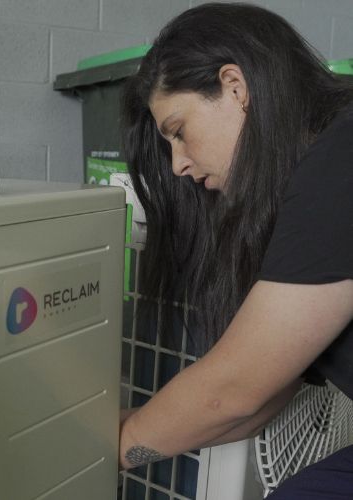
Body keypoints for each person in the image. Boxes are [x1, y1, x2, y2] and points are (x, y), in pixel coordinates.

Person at [117, 2, 353, 498]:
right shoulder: (315, 170)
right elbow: (263, 394)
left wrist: (116, 442)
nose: (178, 164)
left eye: (178, 132)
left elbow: (235, 391)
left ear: (235, 87)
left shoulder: (339, 162)